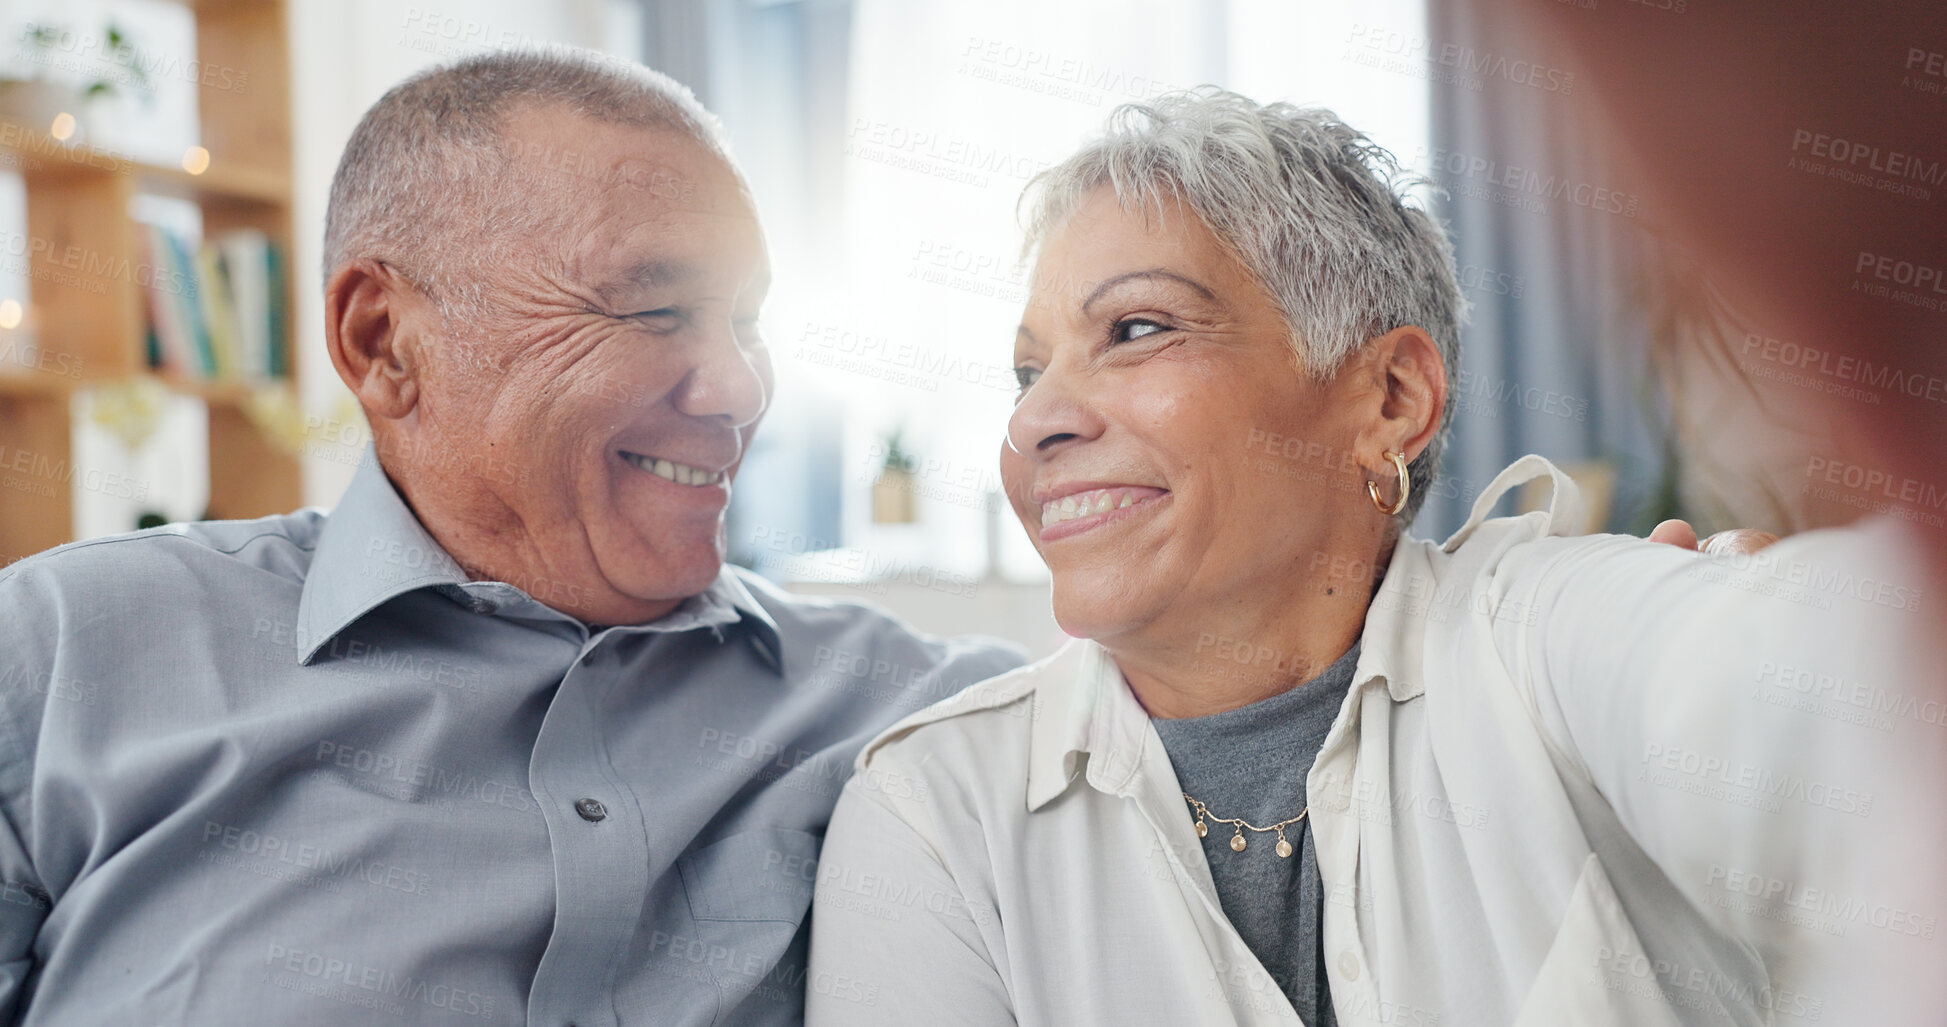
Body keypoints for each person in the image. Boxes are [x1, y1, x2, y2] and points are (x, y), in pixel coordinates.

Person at [806, 90, 1946, 1026]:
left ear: (1390, 398)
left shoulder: (1548, 634)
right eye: (1027, 373)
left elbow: (1859, 707)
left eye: (1138, 328)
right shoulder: (933, 810)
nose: (1037, 421)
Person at [0, 50, 1024, 1026]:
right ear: (383, 342)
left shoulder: (917, 709)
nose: (740, 388)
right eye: (659, 308)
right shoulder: (64, 653)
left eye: (749, 321)